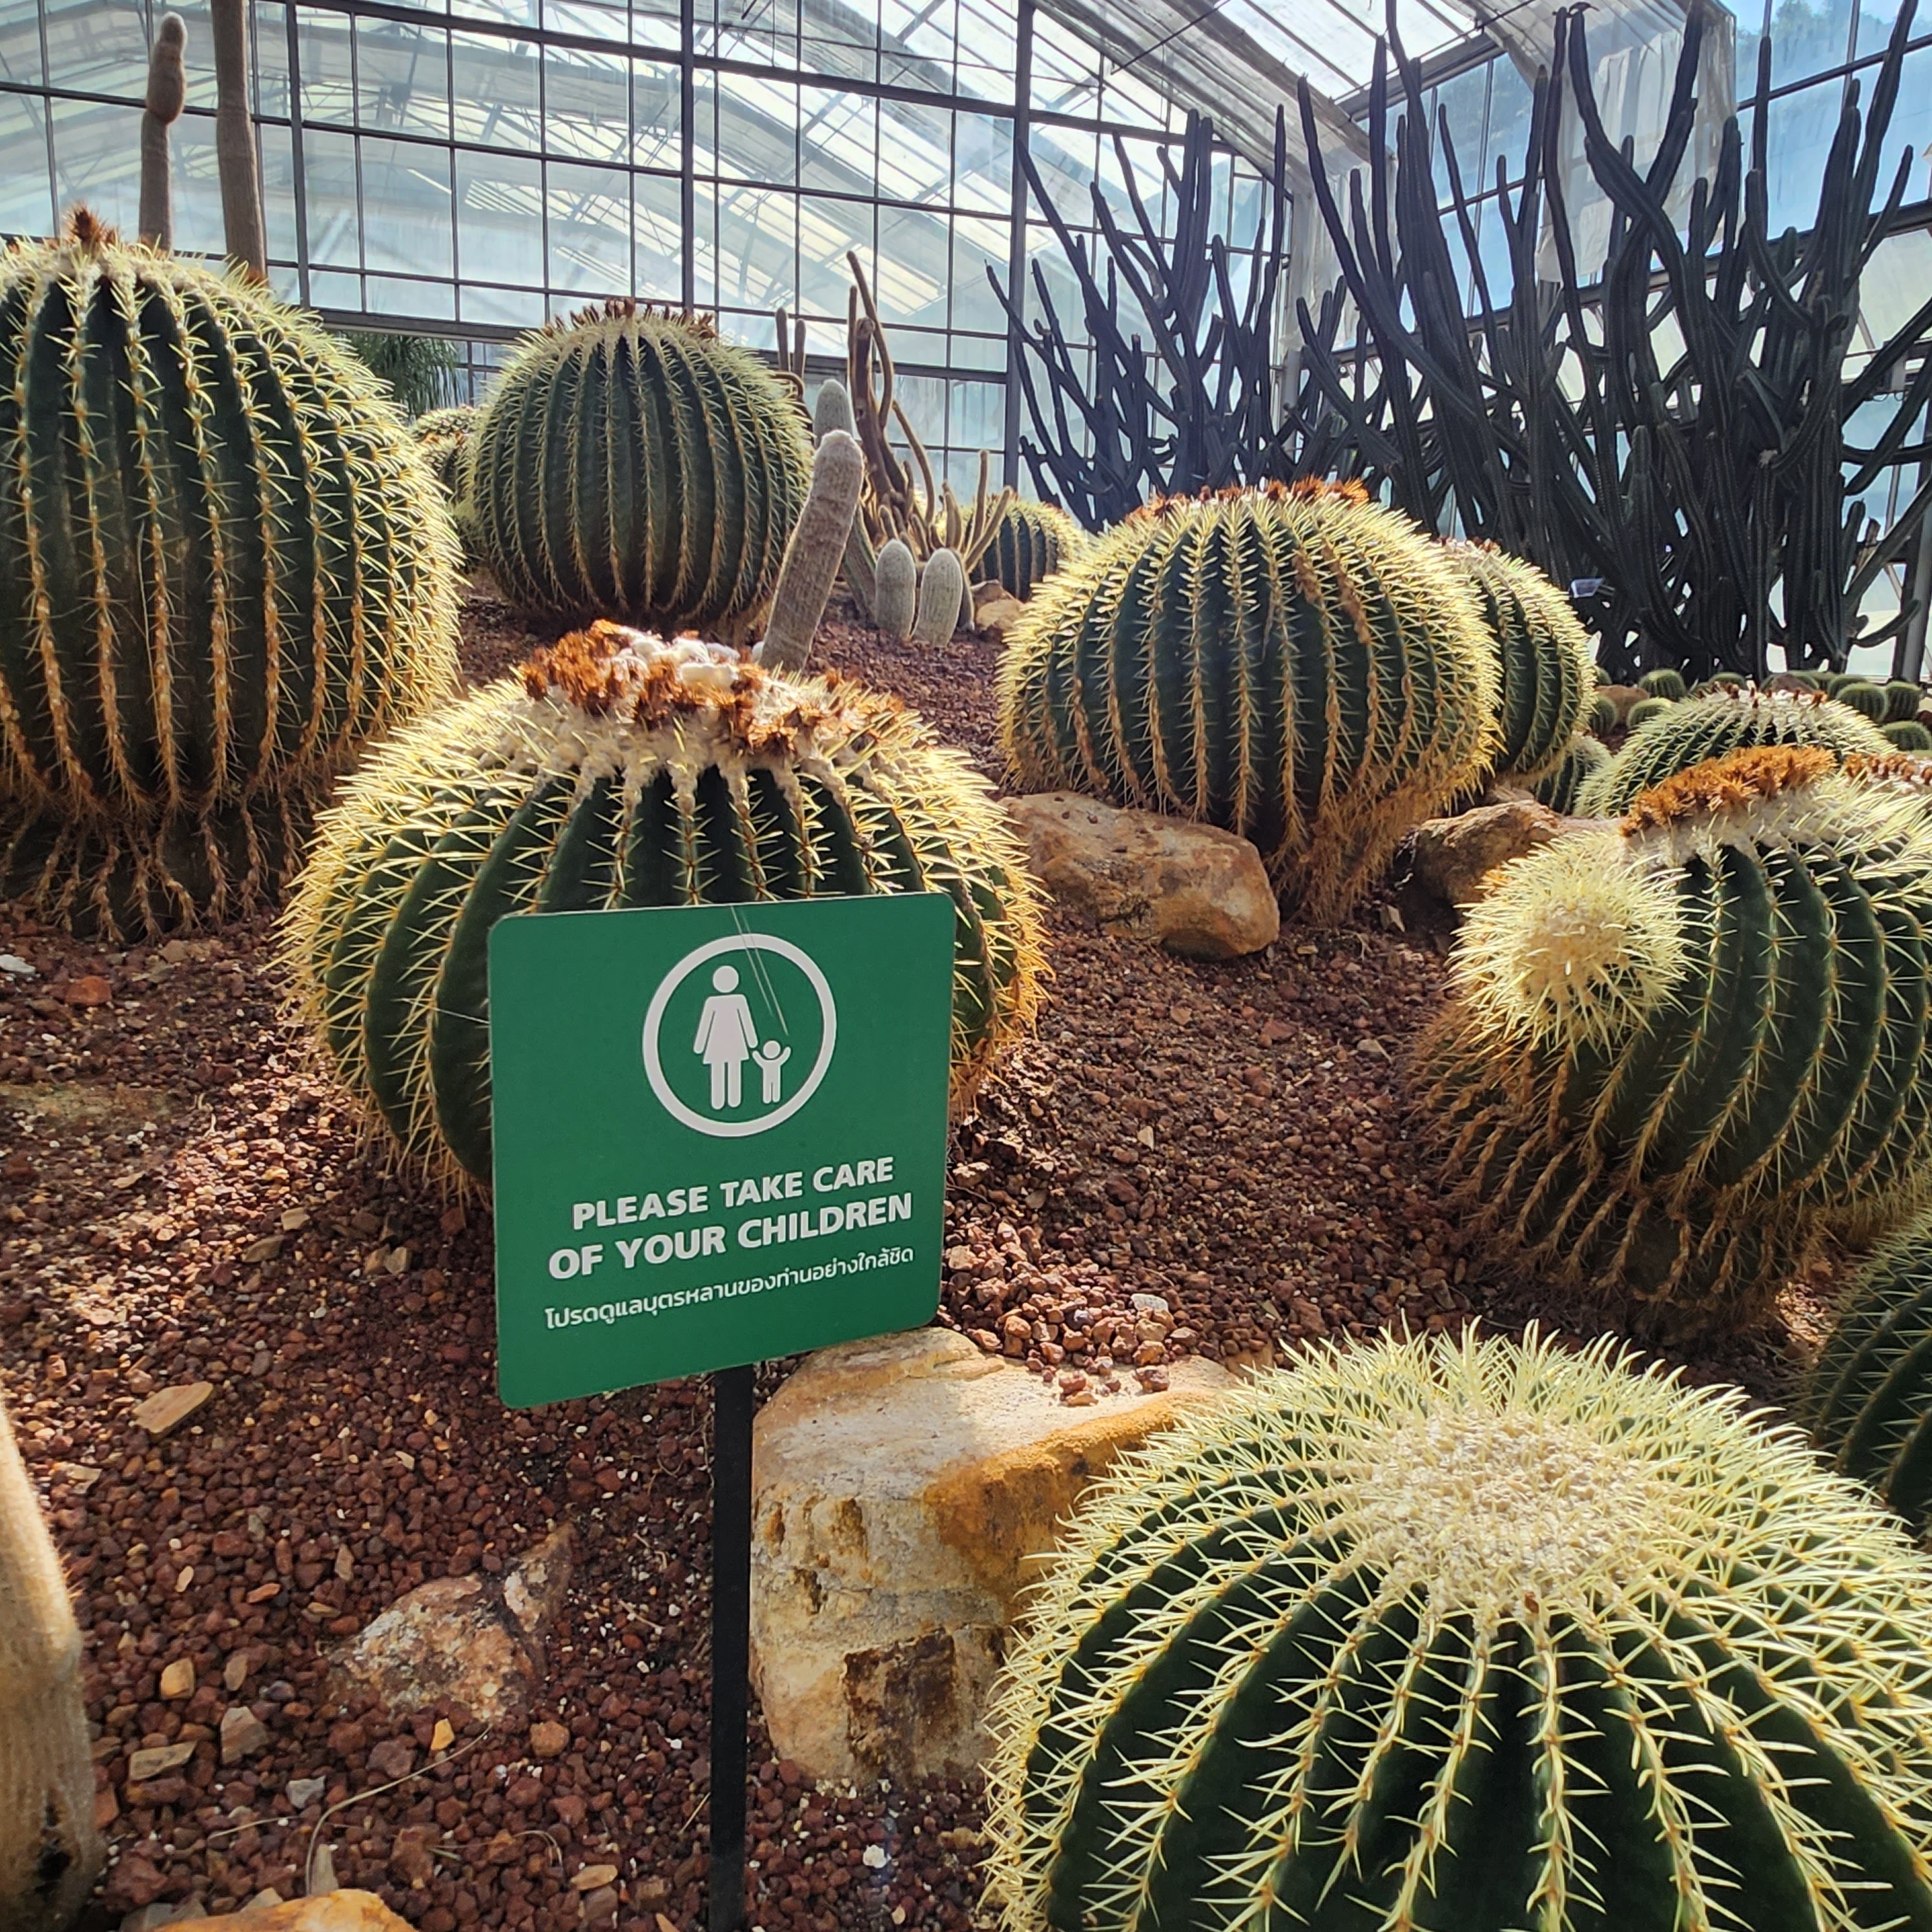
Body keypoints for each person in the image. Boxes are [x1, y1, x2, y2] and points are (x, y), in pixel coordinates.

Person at [694, 963, 757, 1110]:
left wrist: (752, 1041)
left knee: (731, 1068)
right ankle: (720, 1100)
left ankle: (731, 1100)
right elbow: (705, 1024)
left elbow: (746, 1020)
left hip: (731, 1042)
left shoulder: (739, 1000)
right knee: (722, 1069)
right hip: (722, 1042)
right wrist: (700, 1045)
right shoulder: (713, 1002)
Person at [754, 1038, 791, 1104]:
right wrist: (787, 1051)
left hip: (772, 1077)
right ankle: (770, 1098)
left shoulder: (769, 1063)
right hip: (770, 1077)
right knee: (769, 1086)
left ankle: (771, 1098)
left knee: (773, 1086)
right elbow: (784, 1056)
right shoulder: (773, 1063)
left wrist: (756, 1054)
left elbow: (759, 1059)